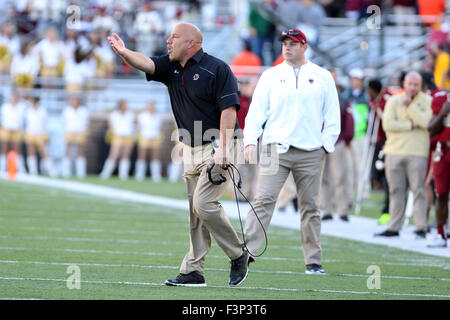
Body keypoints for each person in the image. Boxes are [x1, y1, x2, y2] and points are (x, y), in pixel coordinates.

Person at [107, 23, 248, 287]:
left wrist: (226, 149)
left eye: (174, 37)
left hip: (218, 144)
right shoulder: (171, 67)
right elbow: (146, 63)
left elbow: (229, 111)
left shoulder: (217, 68)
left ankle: (238, 253)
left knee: (203, 204)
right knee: (195, 213)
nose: (168, 41)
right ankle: (194, 270)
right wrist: (125, 53)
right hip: (190, 146)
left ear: (191, 43)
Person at [243, 29, 341, 275]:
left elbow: (332, 114)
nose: (287, 47)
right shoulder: (271, 75)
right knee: (263, 199)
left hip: (310, 151)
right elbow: (256, 112)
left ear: (304, 46)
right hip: (275, 147)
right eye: (284, 43)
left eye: (293, 44)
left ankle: (313, 261)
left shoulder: (322, 76)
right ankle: (245, 253)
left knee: (310, 206)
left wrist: (325, 145)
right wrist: (249, 141)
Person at [375, 72, 432, 238]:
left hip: (417, 152)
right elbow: (387, 124)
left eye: (416, 84)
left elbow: (427, 122)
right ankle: (394, 226)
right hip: (394, 151)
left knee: (418, 190)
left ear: (420, 85)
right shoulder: (394, 100)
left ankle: (421, 226)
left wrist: (411, 107)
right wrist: (411, 125)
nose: (413, 87)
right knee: (395, 190)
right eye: (410, 83)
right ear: (404, 83)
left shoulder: (427, 101)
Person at [321, 68, 354, 222]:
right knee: (323, 177)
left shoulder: (341, 98)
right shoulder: (317, 96)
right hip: (319, 142)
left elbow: (348, 119)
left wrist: (347, 138)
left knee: (339, 176)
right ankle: (326, 208)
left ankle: (342, 209)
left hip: (336, 141)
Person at [366, 79, 392, 225]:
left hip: (387, 142)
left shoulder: (387, 98)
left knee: (385, 174)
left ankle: (388, 208)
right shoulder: (374, 99)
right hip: (377, 141)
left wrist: (377, 108)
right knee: (375, 174)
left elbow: (387, 119)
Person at [427, 94, 450, 247]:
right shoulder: (442, 99)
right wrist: (443, 112)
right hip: (444, 150)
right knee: (441, 194)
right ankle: (440, 234)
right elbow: (430, 130)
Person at [100, 99, 135, 180]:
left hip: (128, 137)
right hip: (117, 136)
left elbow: (132, 125)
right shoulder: (114, 114)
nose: (126, 106)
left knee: (126, 155)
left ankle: (123, 174)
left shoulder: (130, 114)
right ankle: (105, 173)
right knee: (114, 155)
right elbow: (111, 126)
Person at [24, 96, 55, 176]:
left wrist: (46, 135)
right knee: (31, 152)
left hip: (40, 133)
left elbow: (46, 123)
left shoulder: (42, 111)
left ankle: (51, 170)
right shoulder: (28, 111)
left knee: (44, 152)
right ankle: (32, 171)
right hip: (30, 133)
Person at [61, 95, 89, 179]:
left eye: (75, 100)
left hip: (80, 132)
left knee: (80, 151)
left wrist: (83, 131)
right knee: (67, 150)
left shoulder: (83, 110)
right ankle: (66, 172)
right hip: (70, 132)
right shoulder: (67, 110)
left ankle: (81, 172)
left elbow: (86, 122)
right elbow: (63, 122)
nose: (74, 102)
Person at [135, 101, 163, 182]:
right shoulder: (142, 116)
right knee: (142, 155)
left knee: (155, 156)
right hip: (144, 137)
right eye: (150, 106)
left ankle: (156, 175)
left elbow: (159, 128)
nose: (151, 107)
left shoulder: (157, 116)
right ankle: (140, 174)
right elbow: (139, 127)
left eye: (152, 106)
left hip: (154, 137)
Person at [0, 92, 26, 173]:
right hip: (6, 129)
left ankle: (20, 168)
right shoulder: (5, 107)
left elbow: (23, 120)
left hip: (17, 130)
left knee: (17, 149)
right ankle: (3, 167)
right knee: (4, 148)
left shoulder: (21, 107)